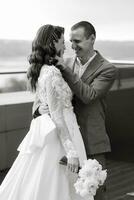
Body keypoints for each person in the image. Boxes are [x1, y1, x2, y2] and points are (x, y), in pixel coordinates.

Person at [0, 24, 87, 200]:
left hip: (66, 128)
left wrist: (40, 107)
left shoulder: (44, 70)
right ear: (53, 44)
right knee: (58, 182)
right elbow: (57, 115)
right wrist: (71, 152)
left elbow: (48, 101)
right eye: (63, 42)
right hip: (61, 133)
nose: (66, 45)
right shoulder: (52, 73)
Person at [35, 21, 117, 200]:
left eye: (77, 41)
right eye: (70, 41)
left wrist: (64, 68)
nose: (72, 46)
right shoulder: (61, 63)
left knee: (95, 192)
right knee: (65, 192)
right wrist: (39, 109)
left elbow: (88, 95)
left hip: (91, 140)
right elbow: (44, 91)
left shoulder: (107, 69)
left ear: (92, 39)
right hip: (63, 141)